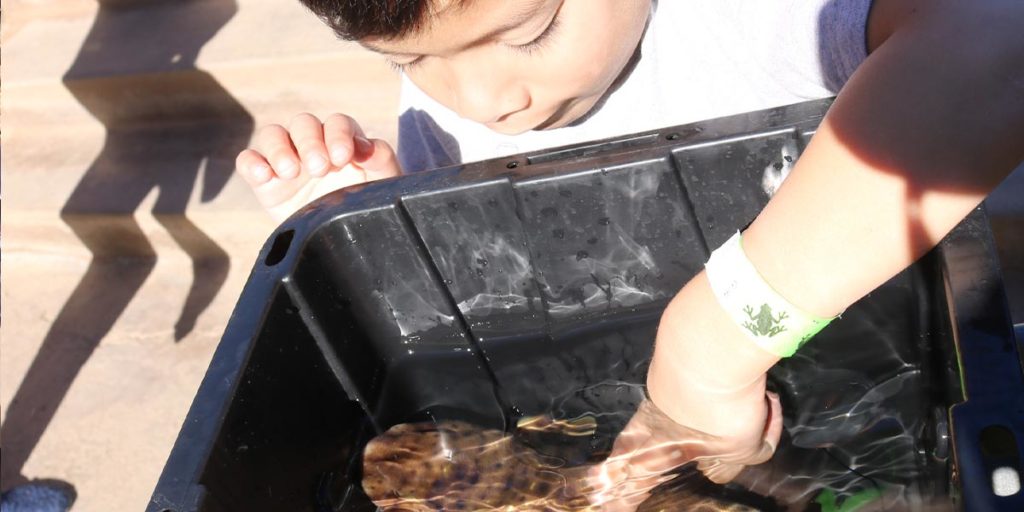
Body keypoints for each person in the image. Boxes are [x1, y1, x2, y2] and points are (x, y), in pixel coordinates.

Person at [235, 0, 1024, 507]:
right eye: (407, 61)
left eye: (529, 31)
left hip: (846, 382)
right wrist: (381, 220)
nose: (484, 100)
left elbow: (995, 36)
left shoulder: (760, 16)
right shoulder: (455, 107)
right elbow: (485, 305)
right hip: (643, 424)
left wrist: (709, 349)